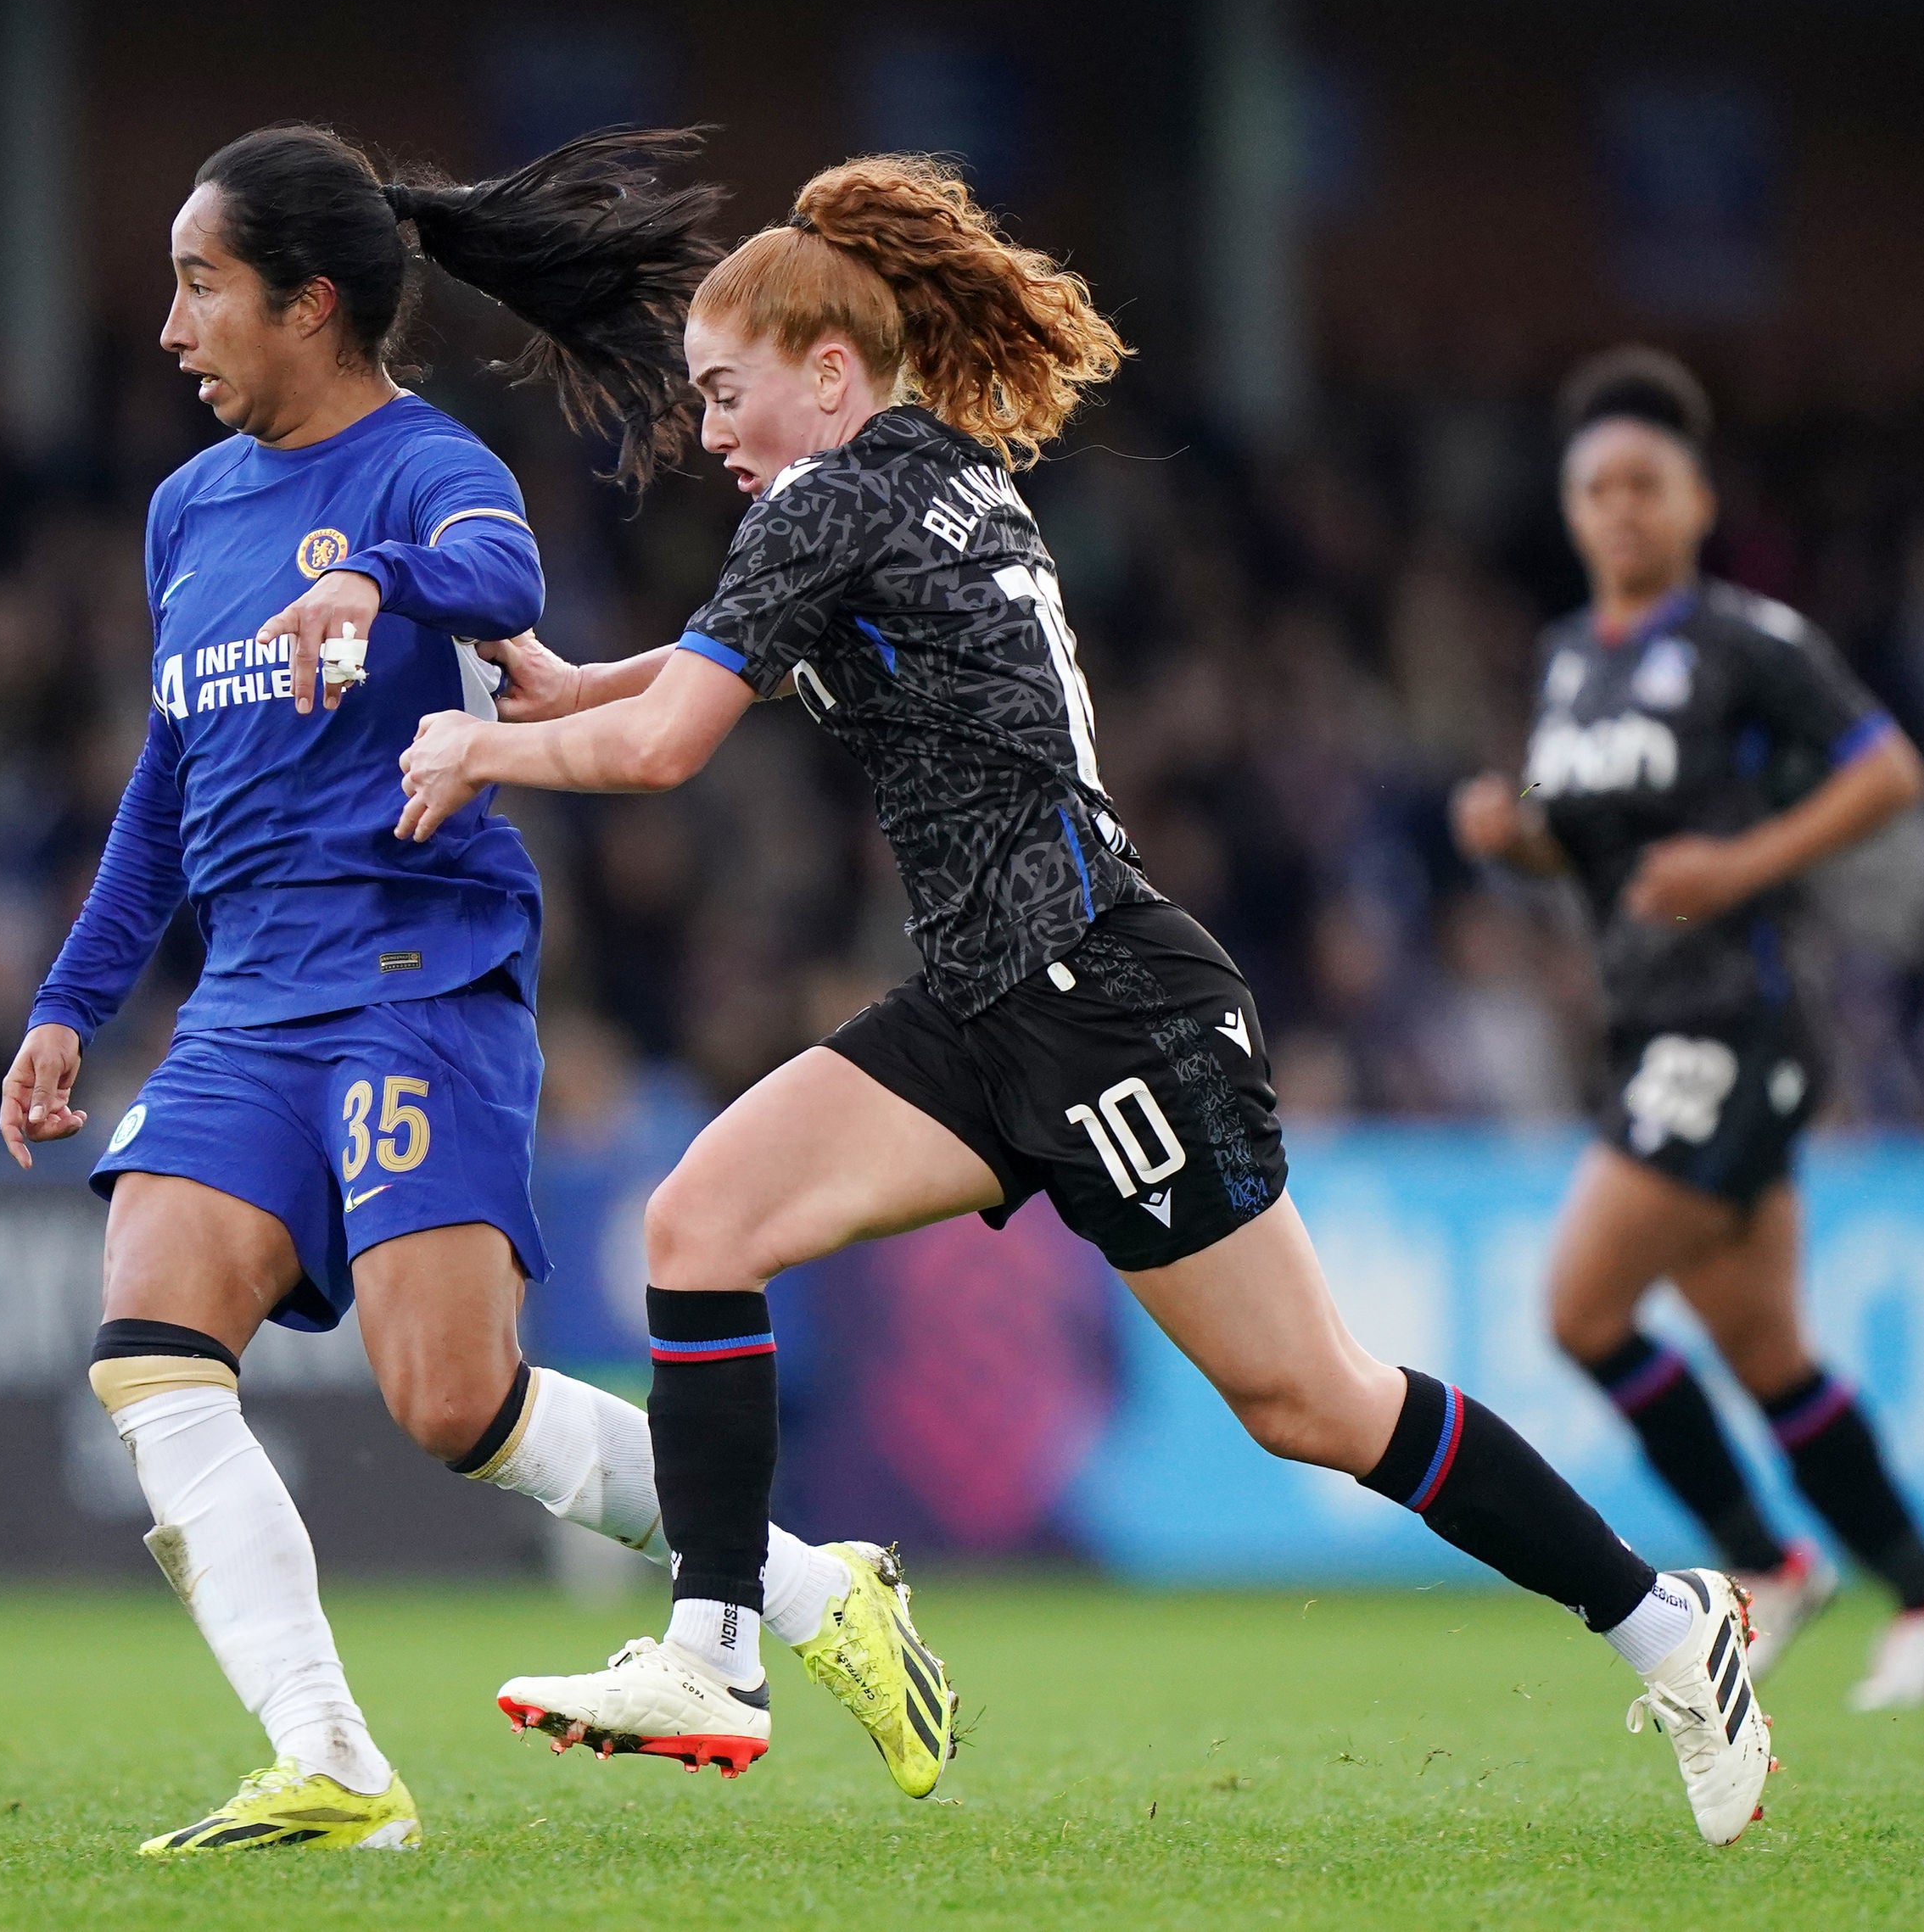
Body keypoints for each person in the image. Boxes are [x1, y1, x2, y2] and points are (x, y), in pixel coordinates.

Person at [397, 159, 1779, 1847]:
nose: (709, 431)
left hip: (1101, 1000)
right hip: (985, 1002)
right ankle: (715, 1654)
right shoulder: (928, 478)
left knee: (1311, 1405)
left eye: (724, 391)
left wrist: (488, 744)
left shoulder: (828, 503)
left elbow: (669, 743)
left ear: (827, 373)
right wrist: (574, 680)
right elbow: (719, 668)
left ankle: (1667, 1623)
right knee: (699, 1221)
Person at [1, 123, 942, 1857]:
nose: (169, 326)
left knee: (453, 1406)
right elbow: (167, 776)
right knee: (146, 1348)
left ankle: (816, 1596)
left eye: (199, 285)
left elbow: (505, 583)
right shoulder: (185, 511)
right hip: (247, 1003)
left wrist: (377, 574)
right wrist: (73, 996)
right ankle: (331, 1759)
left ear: (311, 303)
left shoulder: (425, 468)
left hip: (415, 977)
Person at [1450, 346, 1924, 1710]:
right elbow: (1591, 850)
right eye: (1597, 487)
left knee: (1580, 1306)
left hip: (1735, 1022)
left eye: (1649, 483)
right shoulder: (1569, 660)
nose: (1622, 508)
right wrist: (1510, 839)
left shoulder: (1747, 642)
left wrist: (1737, 868)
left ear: (1697, 500)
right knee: (1767, 1352)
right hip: (1644, 1027)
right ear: (1574, 510)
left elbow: (1891, 772)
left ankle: (1763, 1564)